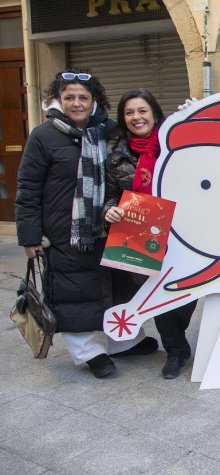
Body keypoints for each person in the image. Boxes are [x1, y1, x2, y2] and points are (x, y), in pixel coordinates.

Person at [16, 69, 157, 379]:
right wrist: (29, 236)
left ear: (94, 100)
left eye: (83, 97)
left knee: (115, 287)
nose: (76, 103)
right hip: (65, 231)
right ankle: (89, 352)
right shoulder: (43, 136)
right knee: (75, 289)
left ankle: (122, 341)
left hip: (111, 225)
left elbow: (148, 135)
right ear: (59, 100)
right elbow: (28, 188)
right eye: (69, 97)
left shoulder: (109, 131)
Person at [104, 88, 198, 379]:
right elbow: (110, 196)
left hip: (185, 228)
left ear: (154, 113)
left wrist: (192, 113)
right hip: (140, 230)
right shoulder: (117, 157)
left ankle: (177, 339)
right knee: (156, 289)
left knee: (187, 290)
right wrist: (109, 210)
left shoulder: (176, 142)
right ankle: (173, 351)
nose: (136, 117)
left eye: (142, 110)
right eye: (129, 112)